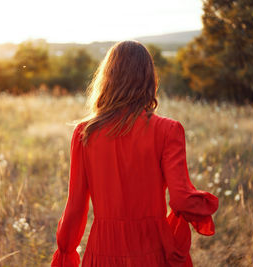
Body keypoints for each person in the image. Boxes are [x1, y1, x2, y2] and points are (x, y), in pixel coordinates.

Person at [51, 40, 219, 267]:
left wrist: (65, 251)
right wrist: (204, 205)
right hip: (153, 250)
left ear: (107, 78)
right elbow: (181, 199)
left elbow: (75, 207)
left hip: (103, 250)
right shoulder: (168, 130)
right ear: (149, 79)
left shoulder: (85, 132)